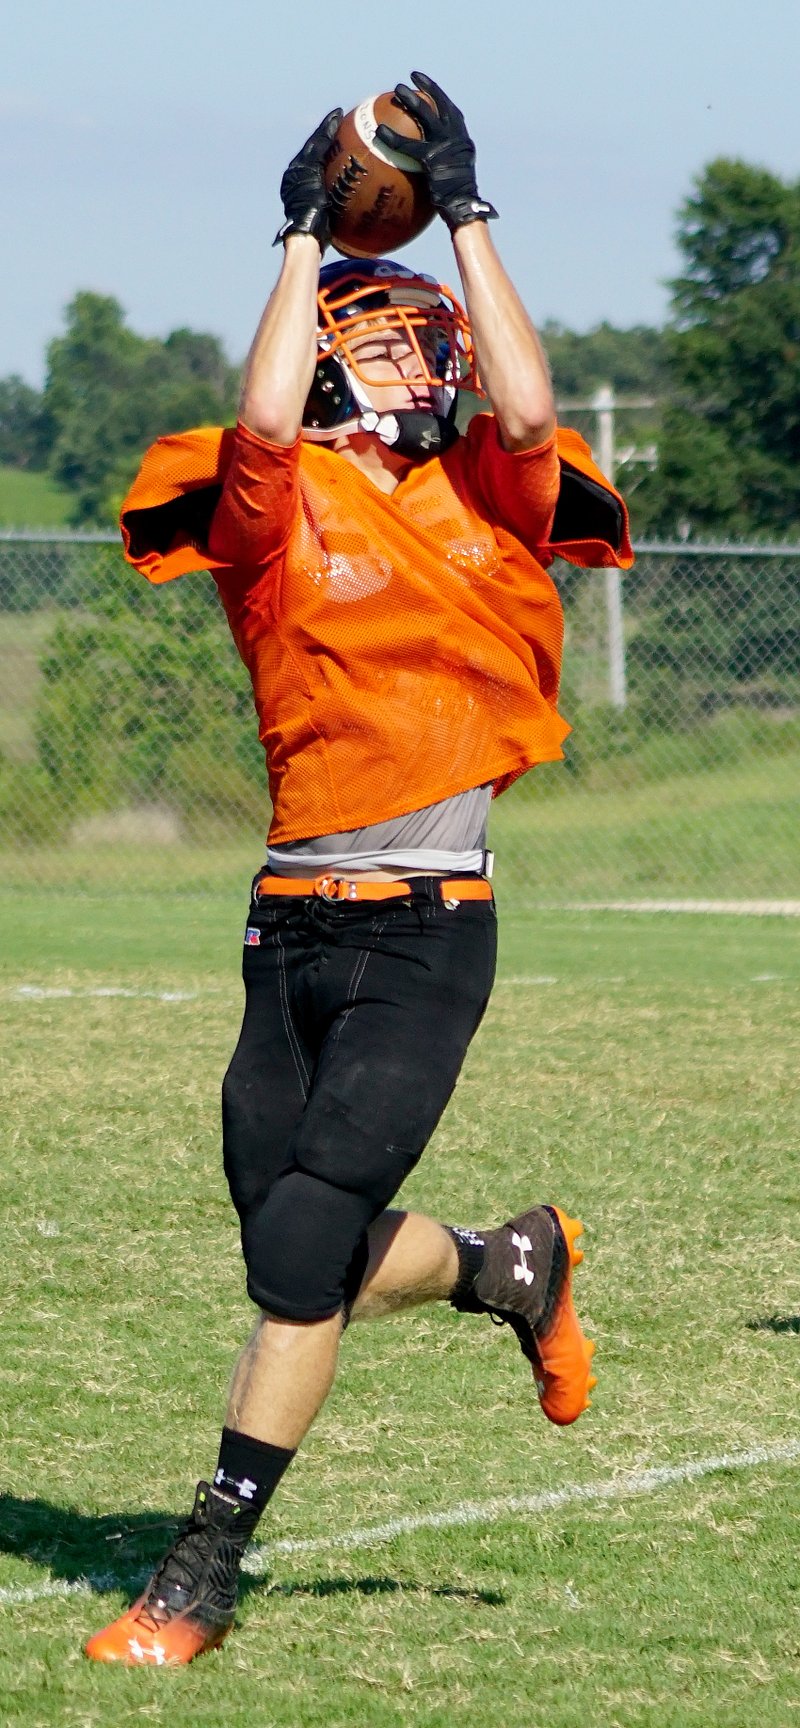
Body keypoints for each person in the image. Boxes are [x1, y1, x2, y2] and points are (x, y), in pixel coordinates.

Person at [85, 72, 632, 1666]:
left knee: (303, 1245)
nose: (396, 353)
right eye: (365, 328)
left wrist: (465, 211)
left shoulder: (491, 491)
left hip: (425, 926)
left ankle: (200, 1569)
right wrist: (298, 236)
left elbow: (528, 415)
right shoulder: (270, 498)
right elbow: (262, 424)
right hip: (287, 924)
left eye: (412, 331)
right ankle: (501, 1265)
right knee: (288, 1233)